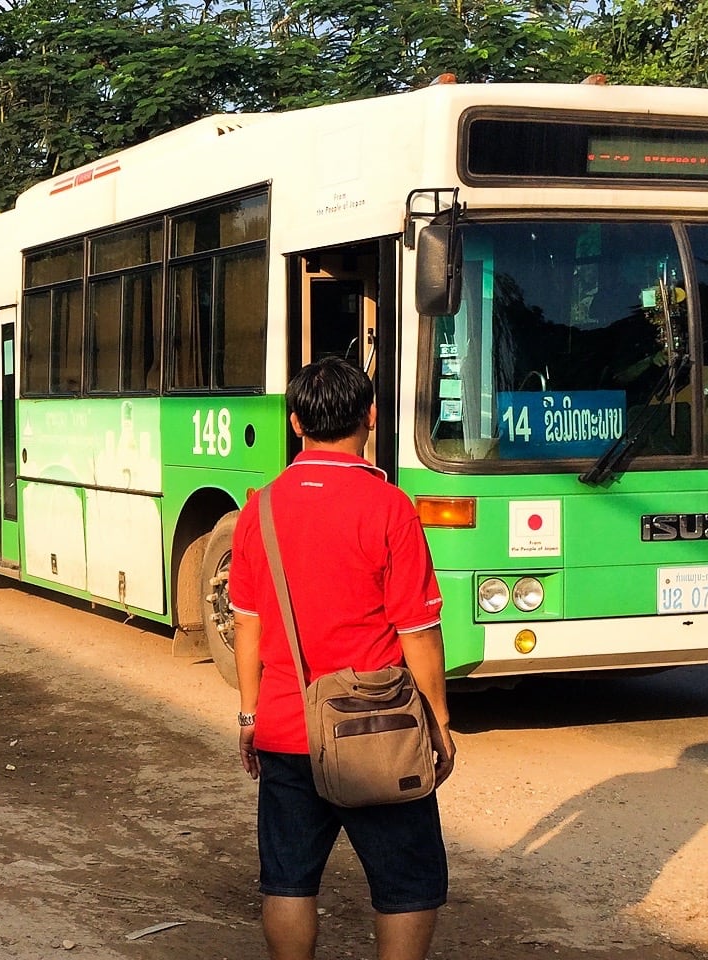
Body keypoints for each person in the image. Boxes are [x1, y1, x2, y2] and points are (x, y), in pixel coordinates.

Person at [227, 357, 456, 960]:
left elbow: (245, 624)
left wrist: (250, 717)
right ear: (371, 417)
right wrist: (438, 719)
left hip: (285, 725)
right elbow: (419, 630)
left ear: (296, 423)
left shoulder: (260, 509)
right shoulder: (389, 507)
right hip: (375, 730)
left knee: (288, 879)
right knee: (407, 884)